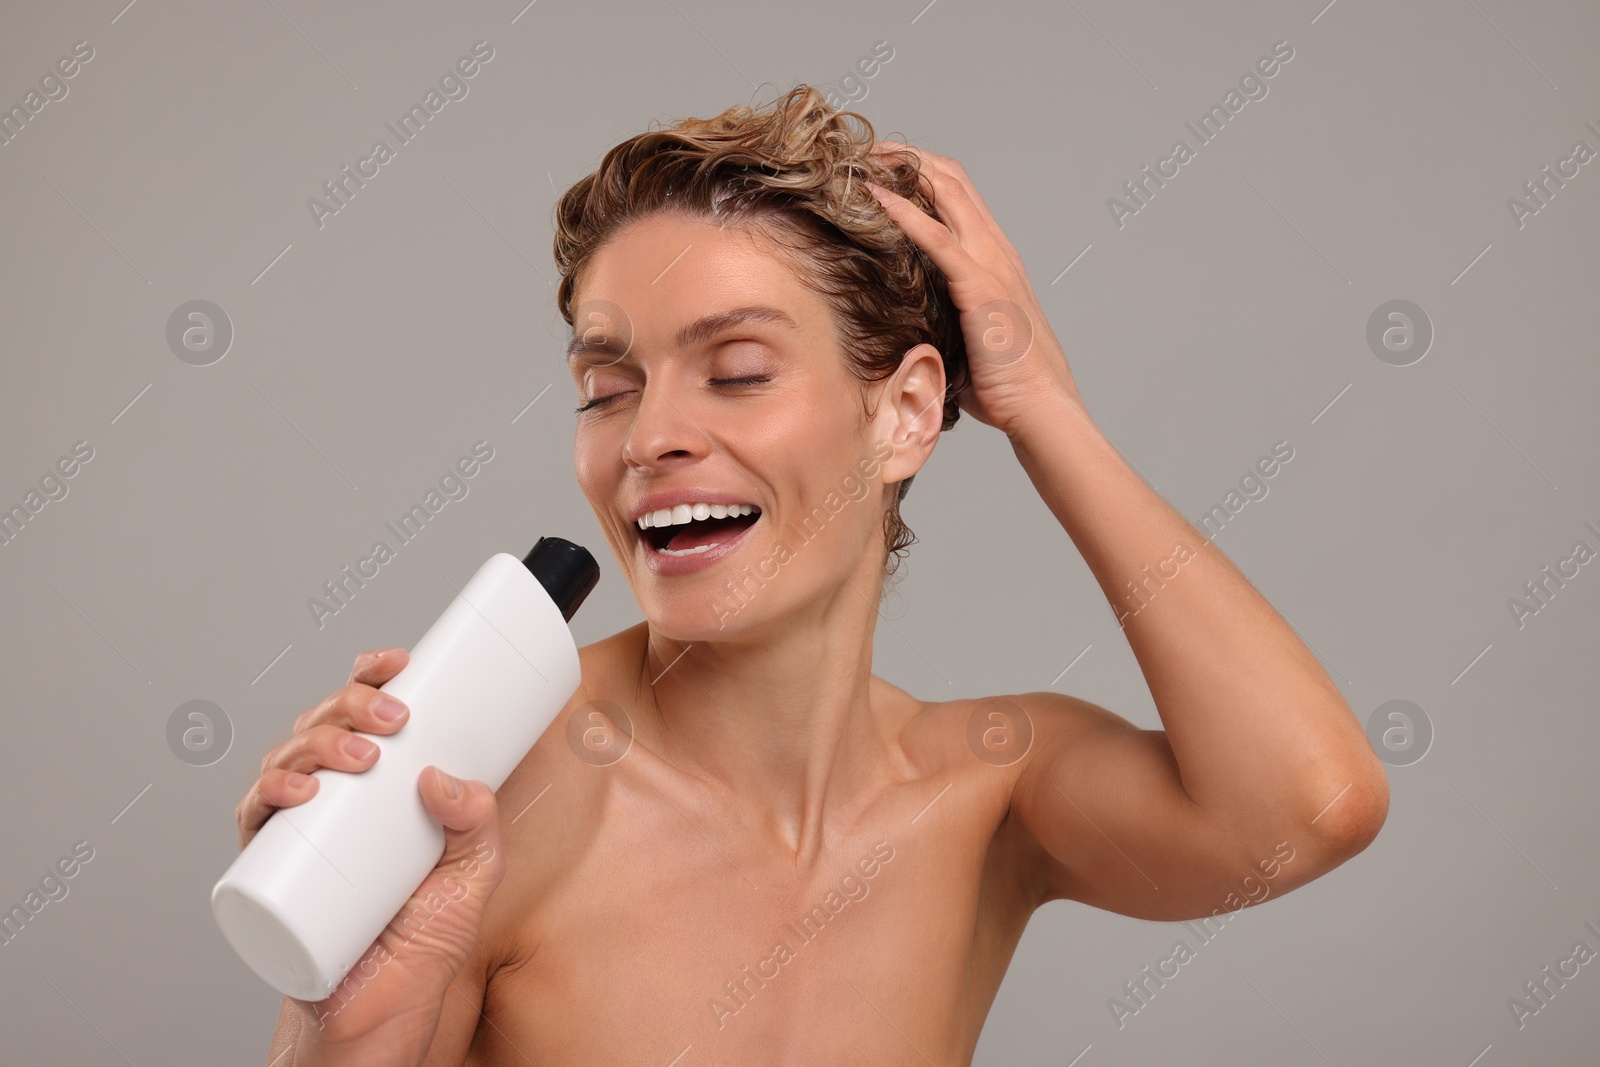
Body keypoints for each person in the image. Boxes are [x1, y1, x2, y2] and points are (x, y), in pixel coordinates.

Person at [241, 84, 1389, 1066]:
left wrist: (1040, 403)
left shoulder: (987, 793)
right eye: (606, 387)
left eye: (735, 369)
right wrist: (337, 1033)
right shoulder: (484, 794)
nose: (648, 438)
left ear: (906, 411)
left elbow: (1309, 809)